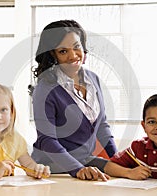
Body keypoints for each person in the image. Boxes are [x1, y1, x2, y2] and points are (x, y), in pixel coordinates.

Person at [29, 19, 119, 181]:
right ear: (52, 54)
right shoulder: (45, 88)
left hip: (85, 164)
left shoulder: (93, 79)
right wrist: (77, 169)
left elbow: (102, 127)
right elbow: (47, 140)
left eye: (77, 47)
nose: (73, 55)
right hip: (54, 170)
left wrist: (119, 159)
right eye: (63, 51)